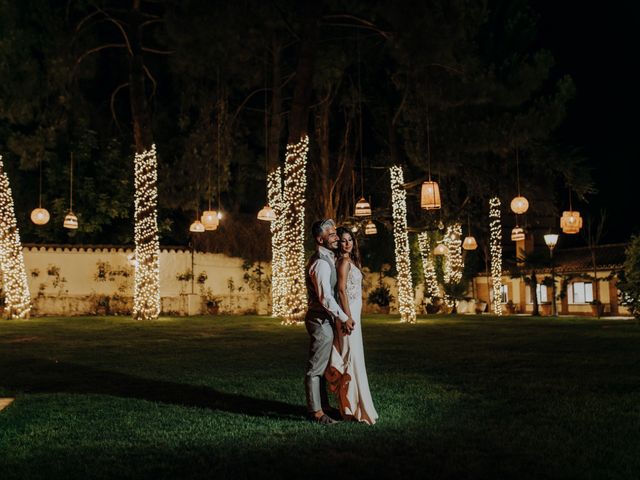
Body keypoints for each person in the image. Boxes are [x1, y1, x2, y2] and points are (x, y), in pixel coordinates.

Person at [325, 227, 378, 424]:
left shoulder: (352, 261)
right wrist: (346, 317)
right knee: (350, 358)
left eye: (349, 240)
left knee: (356, 357)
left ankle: (354, 406)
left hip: (353, 313)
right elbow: (340, 290)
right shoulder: (344, 262)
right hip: (348, 316)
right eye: (343, 240)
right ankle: (350, 408)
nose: (347, 243)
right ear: (338, 243)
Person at [304, 219, 355, 425]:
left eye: (335, 234)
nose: (336, 238)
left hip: (326, 320)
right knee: (316, 368)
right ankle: (316, 412)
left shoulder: (328, 258)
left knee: (323, 366)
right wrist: (345, 317)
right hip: (320, 320)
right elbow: (325, 298)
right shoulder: (320, 263)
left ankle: (323, 407)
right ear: (320, 239)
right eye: (332, 235)